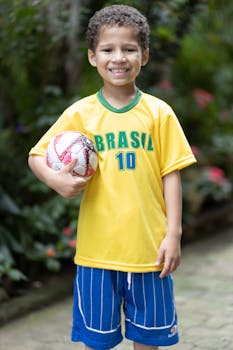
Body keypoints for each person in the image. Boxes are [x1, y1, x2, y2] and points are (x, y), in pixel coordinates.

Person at [28, 4, 196, 350]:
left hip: (150, 252)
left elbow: (171, 175)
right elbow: (36, 156)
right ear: (92, 57)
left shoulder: (159, 113)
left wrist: (174, 234)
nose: (118, 58)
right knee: (98, 342)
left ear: (144, 56)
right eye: (108, 49)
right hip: (96, 253)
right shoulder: (80, 114)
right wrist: (57, 181)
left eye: (129, 49)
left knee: (148, 340)